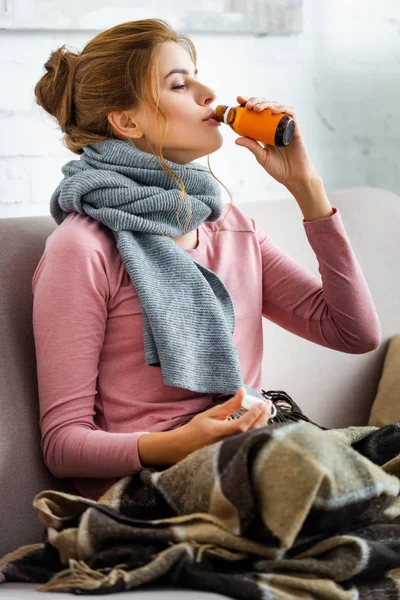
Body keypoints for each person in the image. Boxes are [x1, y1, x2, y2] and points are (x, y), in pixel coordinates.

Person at [32, 18, 381, 502]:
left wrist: (307, 188)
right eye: (180, 83)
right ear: (127, 121)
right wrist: (179, 443)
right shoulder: (83, 247)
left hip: (259, 455)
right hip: (154, 488)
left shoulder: (231, 227)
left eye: (198, 75)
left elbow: (354, 333)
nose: (208, 92)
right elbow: (63, 445)